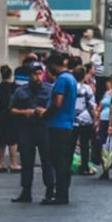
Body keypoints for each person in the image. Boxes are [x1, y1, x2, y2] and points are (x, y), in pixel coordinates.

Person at [10, 63, 53, 203]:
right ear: (29, 76)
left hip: (43, 128)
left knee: (47, 161)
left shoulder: (49, 90)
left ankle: (50, 190)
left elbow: (55, 107)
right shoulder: (20, 91)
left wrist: (45, 112)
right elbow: (11, 109)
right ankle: (26, 191)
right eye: (34, 74)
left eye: (40, 74)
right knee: (27, 162)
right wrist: (24, 112)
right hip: (26, 129)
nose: (37, 77)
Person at [43, 53, 77, 205]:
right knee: (63, 160)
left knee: (57, 160)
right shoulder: (71, 78)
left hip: (58, 124)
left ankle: (61, 194)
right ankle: (63, 192)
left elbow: (57, 102)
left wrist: (44, 114)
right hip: (67, 124)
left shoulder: (62, 80)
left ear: (53, 65)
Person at [72, 66, 97, 175]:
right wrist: (95, 118)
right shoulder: (87, 88)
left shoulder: (70, 87)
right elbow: (91, 106)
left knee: (70, 144)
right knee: (85, 145)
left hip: (71, 119)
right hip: (85, 119)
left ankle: (68, 165)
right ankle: (84, 166)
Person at [0, 65, 20, 173]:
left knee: (2, 140)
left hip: (2, 113)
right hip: (12, 113)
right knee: (13, 140)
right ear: (11, 75)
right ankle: (13, 163)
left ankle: (0, 163)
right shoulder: (14, 87)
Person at [94, 74, 112, 176]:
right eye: (111, 82)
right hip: (103, 120)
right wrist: (97, 120)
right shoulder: (107, 93)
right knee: (103, 145)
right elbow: (100, 106)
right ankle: (105, 169)